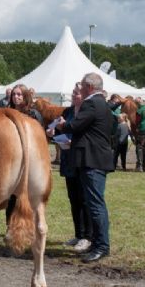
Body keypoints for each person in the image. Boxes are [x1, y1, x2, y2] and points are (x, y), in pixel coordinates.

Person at [56, 73, 114, 263]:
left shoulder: (91, 103)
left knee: (95, 205)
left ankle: (101, 246)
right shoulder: (103, 104)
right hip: (97, 159)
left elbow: (76, 125)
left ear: (88, 86)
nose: (79, 88)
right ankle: (99, 243)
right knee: (95, 204)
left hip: (92, 161)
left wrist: (64, 125)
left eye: (81, 85)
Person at [47, 83, 92, 252]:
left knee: (84, 199)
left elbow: (88, 135)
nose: (74, 96)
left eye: (77, 93)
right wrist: (53, 133)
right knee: (73, 199)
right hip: (68, 159)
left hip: (83, 159)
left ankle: (88, 236)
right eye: (73, 93)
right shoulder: (67, 112)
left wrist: (75, 142)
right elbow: (60, 128)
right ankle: (78, 234)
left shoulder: (87, 112)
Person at [5, 84, 43, 226]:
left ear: (25, 96)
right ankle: (10, 226)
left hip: (30, 159)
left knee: (29, 196)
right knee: (12, 197)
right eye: (14, 94)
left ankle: (29, 226)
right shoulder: (7, 112)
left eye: (19, 94)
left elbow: (40, 137)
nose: (16, 97)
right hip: (12, 159)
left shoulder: (33, 114)